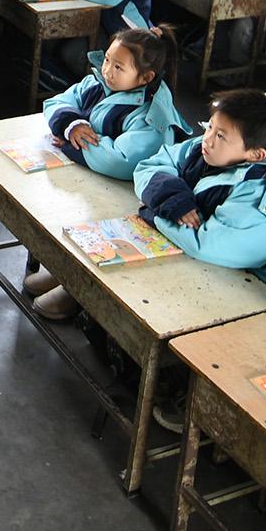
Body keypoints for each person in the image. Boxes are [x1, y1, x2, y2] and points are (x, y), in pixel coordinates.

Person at [26, 27, 191, 320]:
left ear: (146, 78)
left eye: (118, 67)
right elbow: (58, 102)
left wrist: (73, 145)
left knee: (105, 238)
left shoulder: (151, 114)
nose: (107, 71)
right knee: (72, 216)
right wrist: (72, 125)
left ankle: (78, 290)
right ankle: (67, 269)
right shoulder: (100, 82)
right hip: (97, 178)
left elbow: (121, 161)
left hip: (129, 195)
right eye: (107, 61)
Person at [133, 89, 266, 292]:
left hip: (262, 289)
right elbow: (150, 166)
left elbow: (202, 243)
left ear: (256, 155)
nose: (207, 139)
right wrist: (170, 198)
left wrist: (153, 211)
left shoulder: (259, 199)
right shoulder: (209, 150)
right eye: (210, 126)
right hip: (214, 270)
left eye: (220, 135)